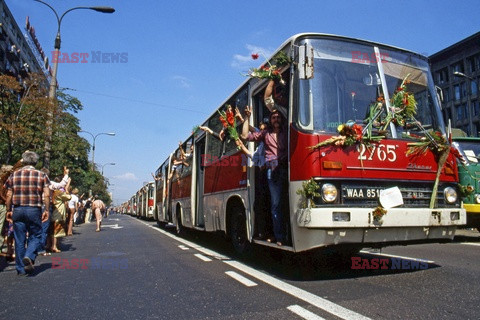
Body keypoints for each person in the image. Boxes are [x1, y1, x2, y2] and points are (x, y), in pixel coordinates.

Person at [241, 84, 288, 246]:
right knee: (275, 204)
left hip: (284, 168)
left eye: (278, 117)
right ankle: (280, 237)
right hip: (271, 171)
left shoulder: (286, 133)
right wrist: (247, 118)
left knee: (284, 202)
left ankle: (285, 235)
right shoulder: (265, 134)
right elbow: (245, 135)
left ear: (281, 119)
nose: (276, 119)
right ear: (270, 120)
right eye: (273, 117)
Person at [4, 151, 50, 275]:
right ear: (35, 162)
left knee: (19, 238)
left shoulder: (14, 175)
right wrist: (46, 210)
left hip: (18, 209)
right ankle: (29, 256)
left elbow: (8, 194)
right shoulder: (41, 175)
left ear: (23, 161)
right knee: (36, 235)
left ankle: (20, 268)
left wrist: (9, 210)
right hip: (34, 209)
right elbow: (46, 194)